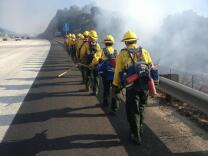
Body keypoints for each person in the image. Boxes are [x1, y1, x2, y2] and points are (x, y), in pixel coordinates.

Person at [112, 31, 154, 145]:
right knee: (141, 108)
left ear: (126, 42)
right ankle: (139, 129)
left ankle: (136, 135)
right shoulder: (144, 51)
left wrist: (115, 85)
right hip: (144, 85)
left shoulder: (122, 54)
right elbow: (150, 66)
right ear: (135, 40)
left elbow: (118, 71)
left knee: (132, 110)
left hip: (131, 87)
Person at [98, 35, 118, 114]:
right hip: (114, 75)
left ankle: (105, 103)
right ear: (112, 43)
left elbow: (96, 59)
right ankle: (114, 108)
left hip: (105, 74)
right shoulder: (116, 51)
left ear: (105, 43)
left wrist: (93, 64)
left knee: (106, 89)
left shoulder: (102, 51)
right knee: (115, 92)